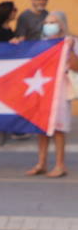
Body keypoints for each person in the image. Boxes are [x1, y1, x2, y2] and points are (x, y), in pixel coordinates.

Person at [25, 10, 74, 178]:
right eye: (47, 23)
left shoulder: (71, 41)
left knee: (59, 128)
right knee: (41, 127)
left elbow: (76, 67)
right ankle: (41, 163)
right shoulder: (42, 43)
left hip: (60, 89)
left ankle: (60, 165)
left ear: (61, 24)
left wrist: (70, 49)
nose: (49, 26)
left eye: (53, 22)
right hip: (43, 88)